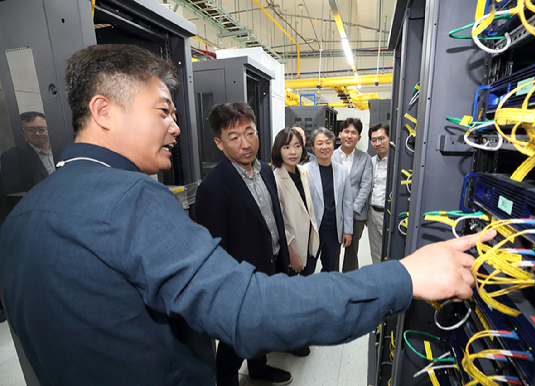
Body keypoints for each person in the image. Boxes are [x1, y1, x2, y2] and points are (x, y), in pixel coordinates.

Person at [0, 43, 494, 386]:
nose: (175, 127)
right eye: (164, 111)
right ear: (105, 111)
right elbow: (249, 310)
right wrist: (403, 277)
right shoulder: (127, 199)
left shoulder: (26, 214)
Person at [194, 102, 292, 386]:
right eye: (234, 138)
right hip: (240, 281)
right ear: (219, 144)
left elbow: (272, 222)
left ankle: (259, 370)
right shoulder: (213, 188)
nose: (245, 144)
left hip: (270, 267)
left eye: (250, 133)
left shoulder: (265, 171)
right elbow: (214, 249)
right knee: (233, 343)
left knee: (261, 329)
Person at [272, 127, 319, 277]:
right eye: (286, 147)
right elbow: (277, 221)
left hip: (309, 243)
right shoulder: (275, 179)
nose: (293, 152)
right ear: (278, 150)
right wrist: (290, 253)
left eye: (297, 146)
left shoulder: (304, 172)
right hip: (292, 246)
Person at [307, 128, 353, 272]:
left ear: (333, 145)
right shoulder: (304, 171)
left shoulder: (342, 171)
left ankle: (327, 293)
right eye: (319, 143)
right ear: (313, 148)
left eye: (328, 142)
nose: (325, 147)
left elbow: (347, 202)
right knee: (307, 269)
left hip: (333, 230)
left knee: (330, 269)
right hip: (312, 231)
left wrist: (348, 230)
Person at [331, 118, 372, 272]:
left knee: (352, 251)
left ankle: (350, 280)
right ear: (340, 134)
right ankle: (333, 279)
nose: (349, 135)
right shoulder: (330, 156)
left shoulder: (365, 159)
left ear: (359, 137)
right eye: (346, 131)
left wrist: (352, 208)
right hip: (334, 213)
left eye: (354, 132)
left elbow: (365, 186)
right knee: (333, 250)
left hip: (356, 214)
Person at [1, 111, 55, 194]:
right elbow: (15, 193)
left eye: (42, 129)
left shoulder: (64, 148)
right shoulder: (13, 157)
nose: (37, 133)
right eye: (31, 130)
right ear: (22, 132)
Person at [368, 123, 390, 264]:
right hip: (372, 213)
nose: (377, 143)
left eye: (381, 138)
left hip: (389, 214)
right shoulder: (370, 162)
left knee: (391, 252)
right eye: (374, 140)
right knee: (376, 253)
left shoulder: (398, 162)